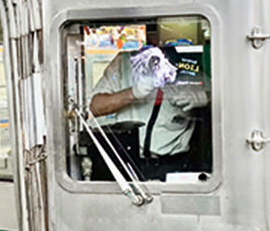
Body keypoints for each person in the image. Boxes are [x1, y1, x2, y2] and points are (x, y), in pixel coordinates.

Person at [88, 44, 209, 180]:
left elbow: (229, 102)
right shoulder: (125, 61)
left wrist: (204, 96)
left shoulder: (188, 63)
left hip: (174, 164)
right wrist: (133, 93)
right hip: (128, 161)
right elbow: (95, 107)